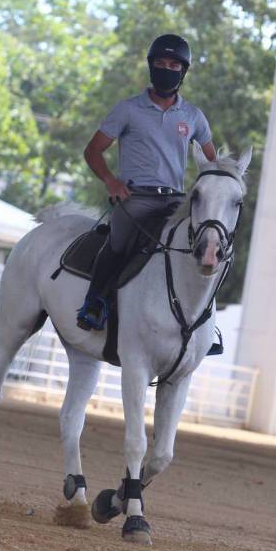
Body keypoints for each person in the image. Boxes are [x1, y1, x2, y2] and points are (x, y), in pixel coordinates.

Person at [76, 34, 215, 331]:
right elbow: (93, 151)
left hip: (176, 200)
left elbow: (212, 164)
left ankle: (204, 322)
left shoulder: (193, 116)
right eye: (161, 63)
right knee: (118, 243)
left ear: (183, 72)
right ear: (151, 67)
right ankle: (94, 303)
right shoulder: (127, 109)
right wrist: (111, 182)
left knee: (204, 245)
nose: (167, 70)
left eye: (174, 66)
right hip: (135, 198)